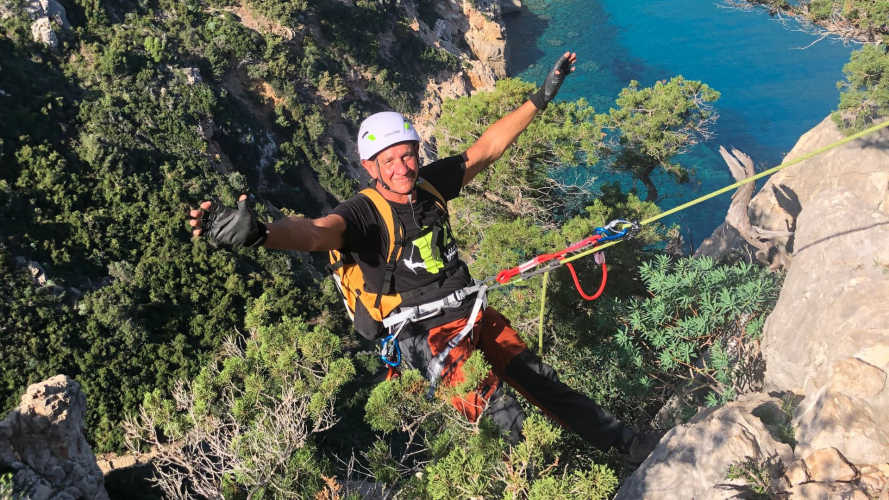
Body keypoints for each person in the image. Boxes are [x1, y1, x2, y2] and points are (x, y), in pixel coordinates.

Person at [188, 52, 664, 468]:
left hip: (470, 311)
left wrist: (541, 97)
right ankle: (544, 483)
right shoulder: (362, 213)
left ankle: (627, 444)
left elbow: (487, 149)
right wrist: (264, 234)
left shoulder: (430, 185)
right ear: (370, 168)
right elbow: (315, 232)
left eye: (408, 156)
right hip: (420, 334)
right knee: (502, 416)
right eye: (389, 161)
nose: (403, 168)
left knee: (542, 380)